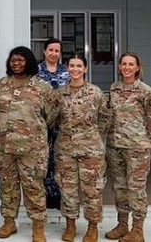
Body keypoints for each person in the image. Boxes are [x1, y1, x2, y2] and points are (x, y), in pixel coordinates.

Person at [0, 46, 59, 242]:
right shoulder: (0, 86)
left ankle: (38, 227)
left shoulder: (42, 88)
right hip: (4, 147)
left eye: (21, 60)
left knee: (33, 187)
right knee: (7, 187)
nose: (16, 63)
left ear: (29, 61)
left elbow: (51, 117)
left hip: (32, 150)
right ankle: (9, 221)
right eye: (13, 60)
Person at [55, 53, 109, 242]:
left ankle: (92, 227)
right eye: (72, 66)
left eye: (79, 66)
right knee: (67, 189)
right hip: (65, 150)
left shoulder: (95, 93)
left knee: (92, 190)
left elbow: (104, 118)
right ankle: (70, 225)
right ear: (67, 68)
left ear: (85, 69)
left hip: (91, 150)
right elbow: (55, 119)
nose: (75, 69)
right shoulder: (60, 94)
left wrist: (92, 137)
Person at [104, 51, 151, 242]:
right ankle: (122, 225)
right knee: (120, 187)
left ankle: (137, 229)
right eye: (123, 64)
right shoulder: (114, 88)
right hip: (115, 146)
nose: (127, 67)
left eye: (131, 64)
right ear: (119, 67)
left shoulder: (145, 91)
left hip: (137, 147)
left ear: (138, 67)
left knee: (136, 188)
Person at [37, 38, 70, 210]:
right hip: (41, 122)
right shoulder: (36, 71)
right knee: (43, 158)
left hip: (62, 123)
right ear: (44, 51)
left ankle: (57, 195)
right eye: (51, 50)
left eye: (57, 51)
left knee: (59, 158)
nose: (53, 53)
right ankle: (43, 194)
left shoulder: (67, 71)